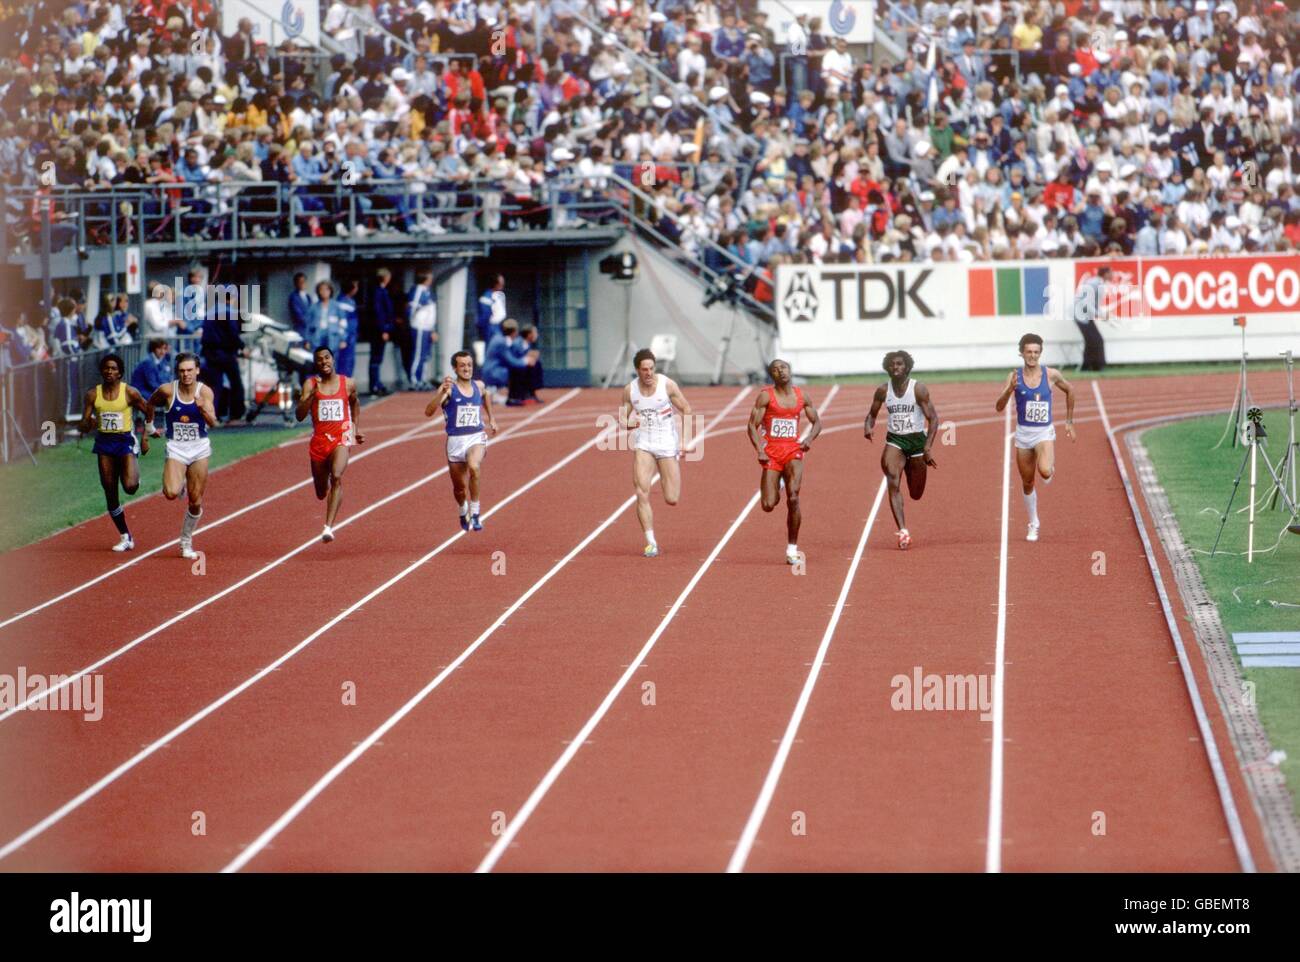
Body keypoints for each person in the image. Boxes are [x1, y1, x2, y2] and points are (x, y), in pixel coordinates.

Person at [995, 333, 1077, 542]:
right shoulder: (1014, 376)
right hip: (1023, 434)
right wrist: (1010, 389)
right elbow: (999, 406)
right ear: (1021, 353)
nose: (1032, 356)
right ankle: (1033, 523)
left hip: (1043, 432)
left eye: (1036, 352)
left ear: (1041, 353)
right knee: (1027, 482)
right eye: (1029, 352)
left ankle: (1049, 468)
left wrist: (1069, 421)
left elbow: (1070, 390)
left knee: (1045, 470)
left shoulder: (1051, 375)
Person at [748, 358, 823, 564]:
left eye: (783, 367)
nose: (780, 371)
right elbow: (751, 426)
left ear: (790, 370)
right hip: (772, 453)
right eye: (775, 369)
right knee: (768, 504)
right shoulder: (766, 397)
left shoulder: (801, 396)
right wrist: (760, 450)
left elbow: (817, 422)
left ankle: (792, 549)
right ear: (772, 375)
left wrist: (808, 438)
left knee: (794, 498)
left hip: (793, 451)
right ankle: (778, 484)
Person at [864, 350, 940, 550]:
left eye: (899, 364)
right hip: (895, 441)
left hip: (916, 443)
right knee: (892, 479)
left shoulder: (918, 389)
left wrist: (928, 447)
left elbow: (933, 418)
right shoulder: (882, 390)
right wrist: (868, 426)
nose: (895, 367)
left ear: (906, 366)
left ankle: (911, 469)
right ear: (887, 367)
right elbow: (871, 414)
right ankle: (903, 531)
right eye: (892, 364)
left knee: (915, 493)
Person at [621, 348, 692, 558]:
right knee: (641, 492)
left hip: (667, 444)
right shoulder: (629, 391)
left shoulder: (667, 385)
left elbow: (686, 409)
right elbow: (622, 419)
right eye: (644, 369)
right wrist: (630, 423)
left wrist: (686, 441)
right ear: (637, 370)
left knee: (672, 498)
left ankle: (666, 475)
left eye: (652, 368)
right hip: (644, 444)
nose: (649, 373)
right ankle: (651, 542)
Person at [145, 352, 217, 560]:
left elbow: (213, 422)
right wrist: (149, 427)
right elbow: (149, 403)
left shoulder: (206, 392)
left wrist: (203, 409)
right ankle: (180, 482)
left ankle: (186, 541)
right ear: (177, 372)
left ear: (197, 370)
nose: (186, 375)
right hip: (176, 448)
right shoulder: (168, 391)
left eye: (190, 370)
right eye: (182, 371)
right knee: (170, 492)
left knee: (195, 501)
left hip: (199, 448)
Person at [78, 353, 153, 551]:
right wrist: (87, 423)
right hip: (104, 442)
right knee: (110, 490)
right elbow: (84, 425)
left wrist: (146, 436)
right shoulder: (93, 395)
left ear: (120, 372)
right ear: (102, 371)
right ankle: (125, 536)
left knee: (130, 486)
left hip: (124, 440)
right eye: (106, 368)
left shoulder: (130, 392)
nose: (109, 371)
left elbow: (149, 410)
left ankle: (133, 468)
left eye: (113, 368)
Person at [296, 346, 365, 542]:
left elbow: (355, 403)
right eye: (319, 360)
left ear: (333, 360)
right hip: (319, 441)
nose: (324, 362)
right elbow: (299, 416)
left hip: (341, 438)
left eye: (327, 358)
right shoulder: (310, 384)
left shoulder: (348, 383)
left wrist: (354, 429)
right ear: (316, 364)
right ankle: (325, 487)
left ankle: (328, 527)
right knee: (320, 492)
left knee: (336, 476)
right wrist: (311, 395)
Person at [427, 350, 499, 532]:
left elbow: (486, 395)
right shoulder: (448, 389)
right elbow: (428, 411)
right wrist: (441, 393)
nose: (467, 369)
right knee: (459, 489)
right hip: (455, 441)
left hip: (476, 436)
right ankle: (463, 509)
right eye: (462, 366)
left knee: (474, 467)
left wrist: (492, 418)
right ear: (455, 368)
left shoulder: (479, 385)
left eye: (469, 365)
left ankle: (475, 513)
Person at [199, 294, 247, 423]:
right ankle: (236, 415)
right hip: (225, 353)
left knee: (215, 386)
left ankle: (213, 415)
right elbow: (233, 334)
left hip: (210, 353)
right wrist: (242, 347)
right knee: (236, 383)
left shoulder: (210, 312)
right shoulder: (229, 312)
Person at [483, 318, 535, 405]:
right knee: (516, 370)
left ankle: (497, 394)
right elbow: (511, 361)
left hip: (491, 369)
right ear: (514, 332)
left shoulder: (499, 338)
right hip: (493, 372)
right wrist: (526, 361)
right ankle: (512, 397)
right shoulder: (501, 342)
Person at [368, 267, 399, 395]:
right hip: (378, 330)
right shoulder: (379, 292)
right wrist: (384, 329)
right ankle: (374, 385)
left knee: (377, 358)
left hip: (379, 329)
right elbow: (379, 312)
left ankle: (377, 383)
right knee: (376, 357)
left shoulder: (381, 291)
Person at [1073, 265, 1110, 371]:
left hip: (1082, 314)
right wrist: (1101, 315)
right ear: (1106, 274)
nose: (1112, 274)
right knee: (1096, 339)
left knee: (1092, 340)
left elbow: (1094, 304)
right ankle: (1097, 366)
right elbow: (1088, 303)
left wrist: (1101, 314)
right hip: (1081, 314)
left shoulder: (1097, 283)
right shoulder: (1096, 284)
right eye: (1110, 272)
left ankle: (1089, 366)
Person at [407, 269, 438, 389]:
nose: (431, 279)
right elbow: (412, 307)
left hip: (427, 328)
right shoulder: (419, 289)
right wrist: (412, 323)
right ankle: (414, 380)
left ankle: (422, 379)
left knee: (425, 355)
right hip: (419, 326)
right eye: (429, 277)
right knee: (418, 354)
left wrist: (432, 329)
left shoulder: (427, 291)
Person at [508, 323, 544, 405]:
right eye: (535, 333)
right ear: (529, 334)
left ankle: (531, 393)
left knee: (537, 364)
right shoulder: (518, 343)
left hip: (522, 366)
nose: (536, 335)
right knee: (529, 368)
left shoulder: (527, 343)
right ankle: (516, 396)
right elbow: (515, 358)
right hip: (514, 368)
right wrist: (528, 357)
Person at [475, 273, 507, 357]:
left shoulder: (498, 297)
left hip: (497, 329)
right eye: (501, 284)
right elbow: (485, 318)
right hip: (490, 331)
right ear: (495, 284)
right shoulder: (486, 298)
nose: (502, 287)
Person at [335, 278, 360, 378]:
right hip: (346, 338)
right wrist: (343, 338)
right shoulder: (342, 302)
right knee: (344, 363)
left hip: (351, 337)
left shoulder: (350, 301)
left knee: (349, 363)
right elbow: (343, 323)